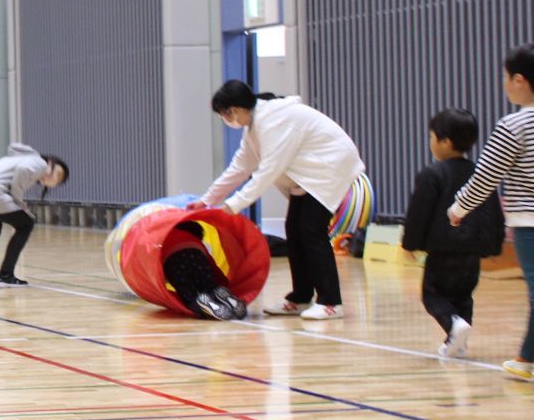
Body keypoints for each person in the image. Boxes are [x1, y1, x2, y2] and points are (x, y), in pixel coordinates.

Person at [193, 80, 363, 321]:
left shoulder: (274, 120)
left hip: (329, 167)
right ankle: (301, 297)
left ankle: (330, 302)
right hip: (308, 176)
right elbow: (240, 168)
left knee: (311, 231)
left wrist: (233, 205)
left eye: (227, 112)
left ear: (240, 107)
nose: (226, 118)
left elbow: (268, 170)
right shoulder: (253, 128)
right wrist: (206, 200)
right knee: (294, 230)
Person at [448, 45, 534, 380]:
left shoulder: (514, 125)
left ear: (519, 79)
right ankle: (527, 359)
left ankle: (528, 360)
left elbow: (485, 178)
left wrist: (458, 208)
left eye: (506, 78)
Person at [404, 109, 500, 358]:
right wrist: (493, 244)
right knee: (463, 296)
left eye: (431, 136)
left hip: (442, 249)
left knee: (432, 294)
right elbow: (492, 212)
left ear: (444, 141)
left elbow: (419, 212)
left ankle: (453, 327)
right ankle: (457, 343)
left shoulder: (432, 174)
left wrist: (409, 243)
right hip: (472, 250)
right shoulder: (479, 173)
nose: (431, 142)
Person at [0, 145, 67, 288]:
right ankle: (5, 276)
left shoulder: (17, 159)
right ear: (52, 162)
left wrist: (17, 203)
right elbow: (23, 170)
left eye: (58, 181)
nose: (54, 179)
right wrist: (19, 202)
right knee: (26, 224)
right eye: (57, 174)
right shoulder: (40, 162)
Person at [161, 221, 249, 320]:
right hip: (197, 254)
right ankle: (218, 294)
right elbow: (212, 266)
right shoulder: (193, 239)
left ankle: (201, 304)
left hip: (173, 260)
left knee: (189, 296)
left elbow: (157, 269)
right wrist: (221, 285)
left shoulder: (164, 236)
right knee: (209, 287)